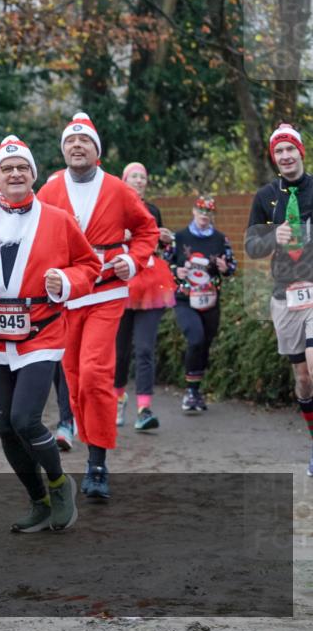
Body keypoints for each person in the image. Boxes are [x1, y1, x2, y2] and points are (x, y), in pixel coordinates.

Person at [0, 135, 99, 532]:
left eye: (22, 168)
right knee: (4, 427)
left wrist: (65, 281)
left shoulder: (59, 220)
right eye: (7, 169)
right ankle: (38, 501)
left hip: (41, 333)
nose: (15, 173)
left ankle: (60, 484)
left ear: (33, 175)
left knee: (24, 419)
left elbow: (89, 266)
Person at [37, 112, 159, 500]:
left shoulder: (118, 190)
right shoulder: (49, 191)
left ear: (97, 150)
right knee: (74, 380)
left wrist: (133, 261)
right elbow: (32, 235)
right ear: (63, 150)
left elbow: (147, 229)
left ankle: (98, 463)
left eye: (85, 141)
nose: (77, 146)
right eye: (70, 142)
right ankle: (91, 449)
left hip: (105, 294)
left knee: (94, 374)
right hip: (66, 297)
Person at [245, 123, 313, 475]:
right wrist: (274, 236)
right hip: (285, 296)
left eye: (290, 149)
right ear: (274, 158)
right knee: (303, 379)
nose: (285, 156)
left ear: (301, 152)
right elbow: (251, 247)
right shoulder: (265, 196)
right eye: (279, 151)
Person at [113, 163, 177, 430]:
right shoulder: (114, 208)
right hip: (120, 282)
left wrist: (164, 239)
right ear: (124, 181)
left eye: (143, 177)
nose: (139, 180)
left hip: (150, 283)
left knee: (145, 348)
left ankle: (144, 409)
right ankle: (118, 398)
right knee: (119, 352)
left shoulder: (152, 210)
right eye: (134, 176)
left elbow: (158, 248)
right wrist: (122, 235)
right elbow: (101, 240)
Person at [167, 196, 236, 412]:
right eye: (201, 210)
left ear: (213, 215)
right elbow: (164, 264)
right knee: (195, 338)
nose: (204, 215)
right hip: (184, 299)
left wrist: (226, 268)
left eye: (209, 212)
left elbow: (232, 266)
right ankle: (190, 392)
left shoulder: (221, 239)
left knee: (205, 344)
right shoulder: (179, 238)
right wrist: (175, 271)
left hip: (210, 299)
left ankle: (195, 391)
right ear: (193, 211)